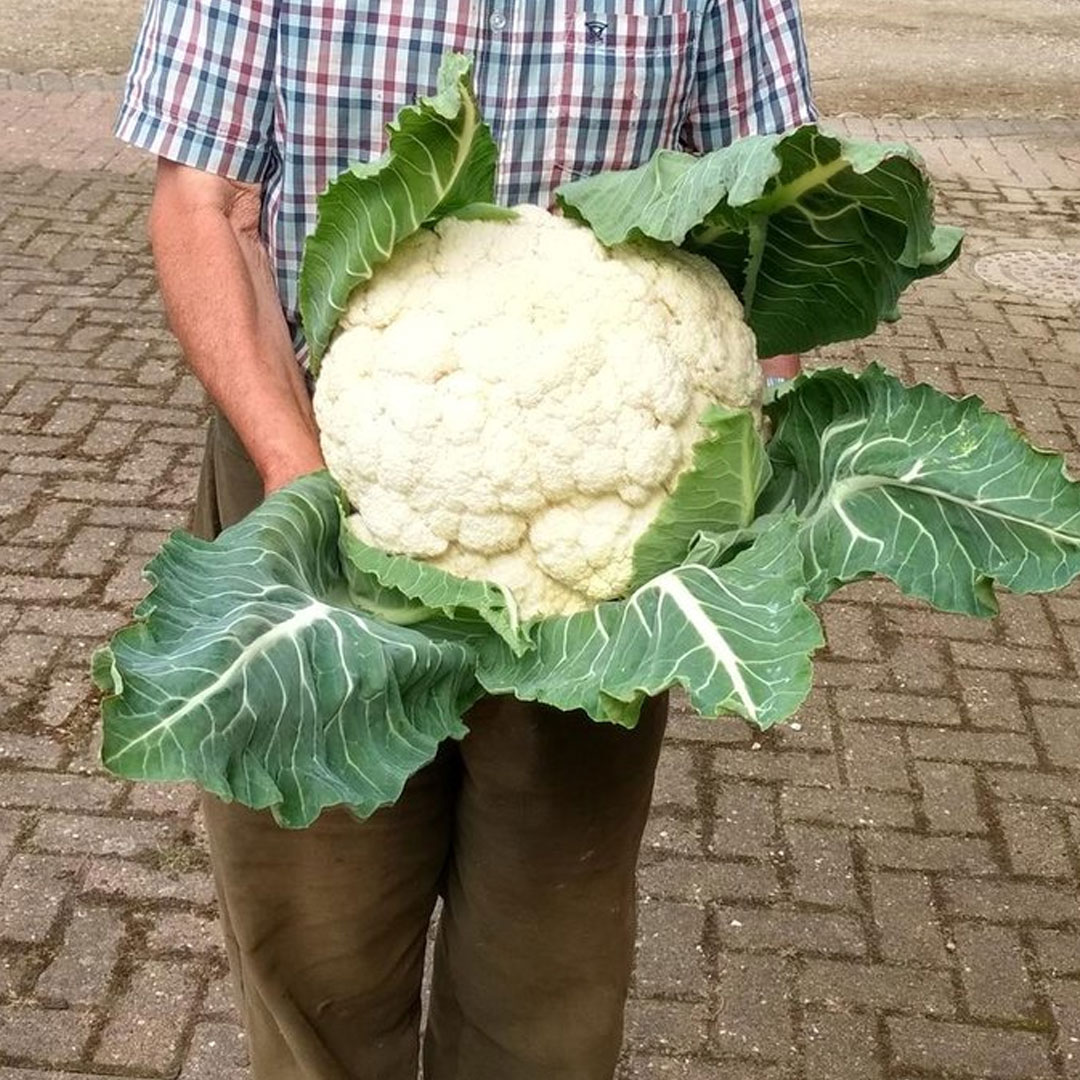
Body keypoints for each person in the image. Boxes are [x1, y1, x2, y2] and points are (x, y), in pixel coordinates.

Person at [116, 4, 814, 1078]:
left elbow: (771, 205)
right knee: (320, 952)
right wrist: (310, 490)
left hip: (596, 548)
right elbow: (203, 204)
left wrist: (746, 464)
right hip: (313, 462)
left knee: (548, 966)